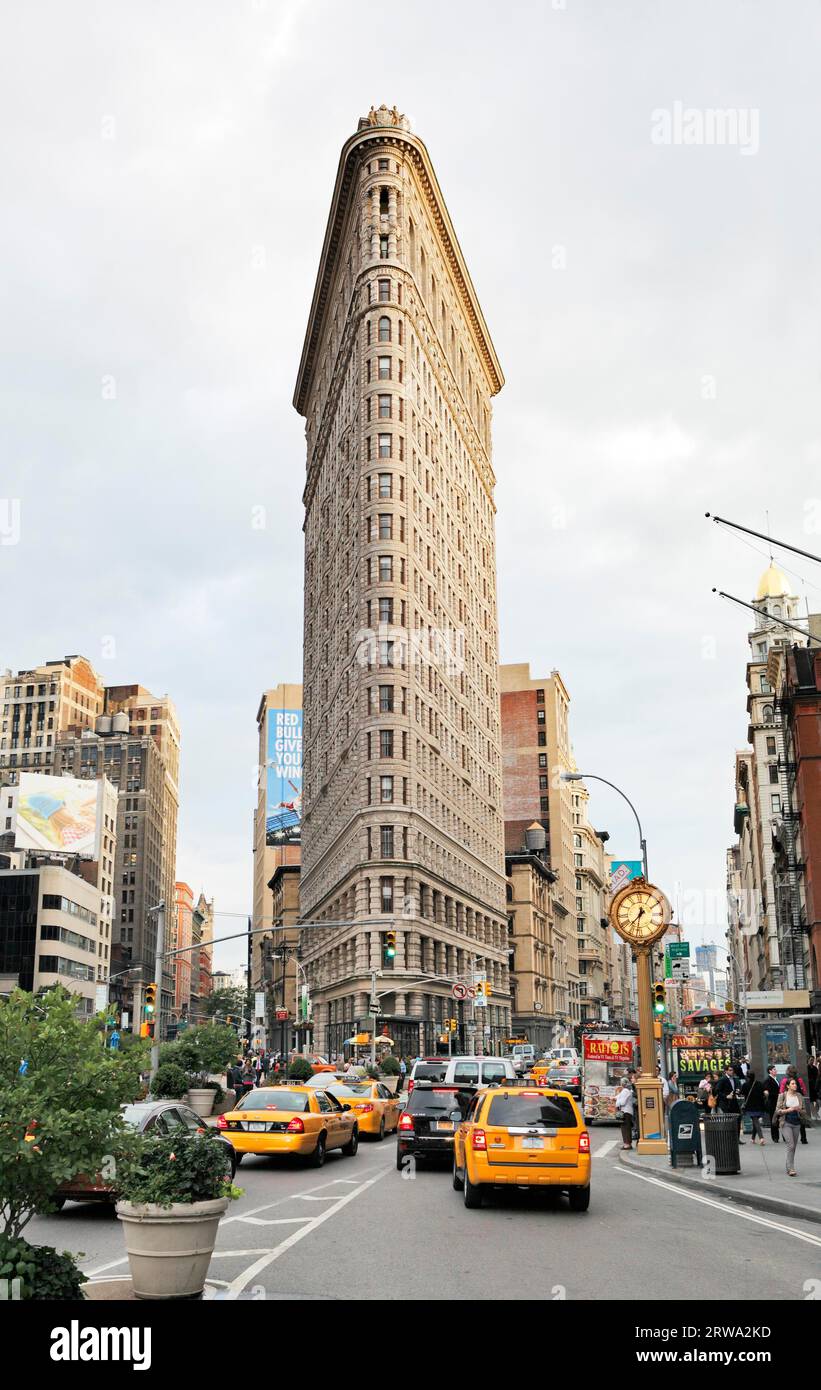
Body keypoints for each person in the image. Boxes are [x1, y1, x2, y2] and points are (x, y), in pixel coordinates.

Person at [775, 1078, 810, 1176]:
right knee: (790, 1145)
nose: (795, 1085)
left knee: (793, 1147)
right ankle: (791, 1168)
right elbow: (778, 1111)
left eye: (796, 1084)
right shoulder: (782, 1096)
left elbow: (804, 1111)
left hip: (797, 1123)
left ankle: (788, 1165)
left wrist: (799, 1110)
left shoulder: (799, 1096)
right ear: (788, 1086)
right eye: (793, 1083)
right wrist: (788, 1110)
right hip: (786, 1122)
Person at [778, 1066, 809, 1144]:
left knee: (785, 1119)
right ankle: (804, 1138)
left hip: (787, 1103)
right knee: (801, 1119)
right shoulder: (799, 1080)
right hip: (798, 1102)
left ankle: (786, 1137)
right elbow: (804, 1091)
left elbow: (781, 1091)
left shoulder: (785, 1080)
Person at [715, 1062, 744, 1142]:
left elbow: (739, 1087)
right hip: (725, 1103)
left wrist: (738, 1090)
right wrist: (726, 1096)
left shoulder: (735, 1079)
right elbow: (717, 1091)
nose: (732, 1072)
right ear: (726, 1071)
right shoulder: (723, 1079)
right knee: (729, 1120)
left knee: (738, 1118)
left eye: (732, 1070)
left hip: (734, 1101)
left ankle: (736, 1139)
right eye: (730, 1070)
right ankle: (728, 1138)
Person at [741, 1069, 766, 1144]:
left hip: (750, 1106)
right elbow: (763, 1093)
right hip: (760, 1105)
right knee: (756, 1121)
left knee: (755, 1121)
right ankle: (752, 1138)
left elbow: (742, 1093)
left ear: (747, 1076)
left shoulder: (745, 1085)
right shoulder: (759, 1083)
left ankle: (761, 1138)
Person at [616, 1074, 635, 1150]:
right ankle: (628, 1143)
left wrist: (616, 1102)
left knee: (625, 1128)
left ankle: (627, 1144)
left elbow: (622, 1102)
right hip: (628, 1111)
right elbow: (618, 1096)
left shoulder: (625, 1091)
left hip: (625, 1111)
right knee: (626, 1127)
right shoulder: (626, 1090)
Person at [762, 1065, 781, 1142]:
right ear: (770, 1071)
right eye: (774, 1069)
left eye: (775, 1069)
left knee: (779, 1119)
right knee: (774, 1120)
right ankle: (775, 1137)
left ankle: (779, 1136)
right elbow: (767, 1092)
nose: (776, 1071)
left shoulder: (775, 1079)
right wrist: (778, 1094)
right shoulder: (768, 1080)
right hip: (772, 1103)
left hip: (777, 1102)